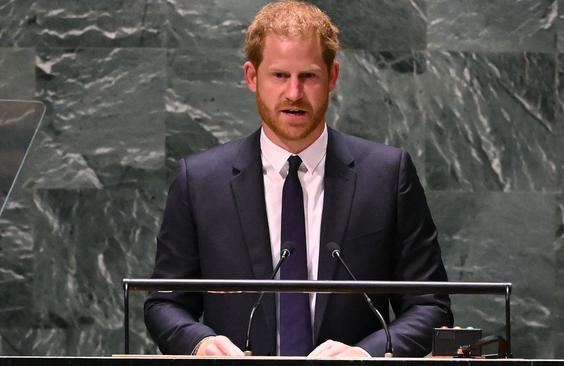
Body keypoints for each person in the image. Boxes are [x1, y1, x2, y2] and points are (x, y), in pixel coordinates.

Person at [144, 0, 452, 358]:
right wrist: (199, 343)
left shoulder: (386, 176)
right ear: (251, 77)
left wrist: (364, 354)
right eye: (279, 76)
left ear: (332, 77)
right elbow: (164, 303)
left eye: (308, 76)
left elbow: (431, 307)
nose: (293, 93)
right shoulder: (199, 181)